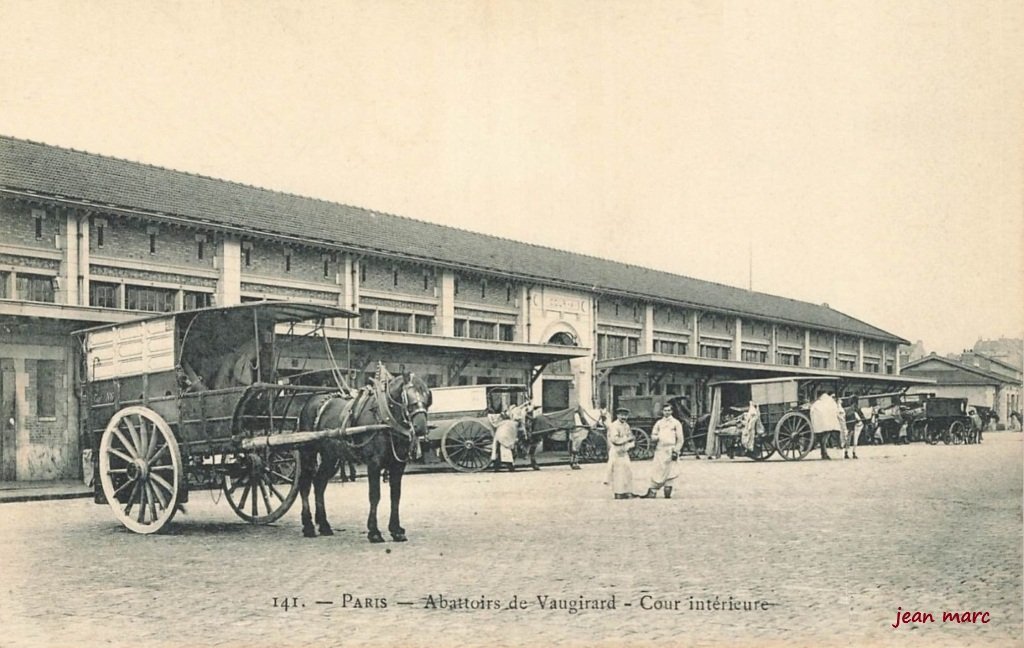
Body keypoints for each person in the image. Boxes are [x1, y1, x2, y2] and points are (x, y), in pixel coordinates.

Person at [641, 404, 684, 499]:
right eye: (665, 410)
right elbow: (653, 435)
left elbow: (680, 439)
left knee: (671, 471)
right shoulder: (659, 423)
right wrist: (656, 437)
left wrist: (676, 451)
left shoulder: (676, 423)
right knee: (658, 470)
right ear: (662, 412)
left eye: (669, 410)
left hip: (670, 450)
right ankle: (653, 490)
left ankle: (668, 490)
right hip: (660, 450)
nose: (667, 412)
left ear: (672, 411)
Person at [606, 407, 636, 499]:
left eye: (625, 415)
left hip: (624, 451)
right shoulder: (614, 425)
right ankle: (618, 492)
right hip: (616, 451)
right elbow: (615, 440)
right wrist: (627, 439)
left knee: (627, 471)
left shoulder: (626, 425)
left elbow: (630, 436)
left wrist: (631, 443)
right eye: (622, 415)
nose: (624, 417)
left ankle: (627, 491)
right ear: (617, 415)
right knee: (618, 473)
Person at [809, 389, 841, 460]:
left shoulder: (818, 402)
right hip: (827, 422)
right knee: (824, 438)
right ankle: (824, 453)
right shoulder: (830, 402)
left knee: (823, 439)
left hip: (819, 421)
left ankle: (824, 453)